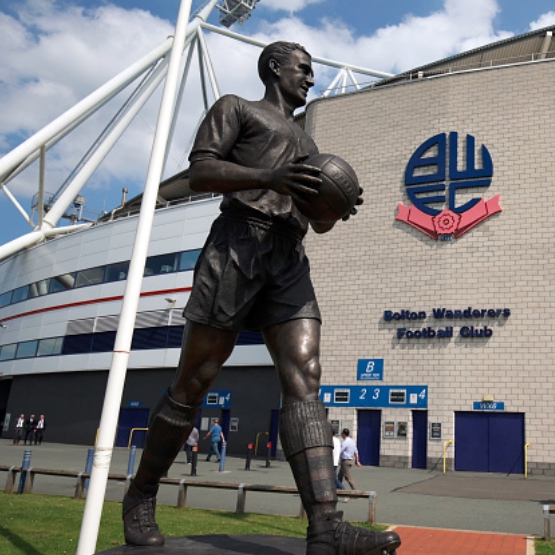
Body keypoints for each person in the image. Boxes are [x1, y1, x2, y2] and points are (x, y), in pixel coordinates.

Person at [121, 41, 399, 555]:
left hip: (287, 255)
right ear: (275, 67)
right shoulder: (236, 109)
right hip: (238, 243)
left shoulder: (309, 142)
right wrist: (267, 176)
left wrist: (334, 209)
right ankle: (140, 494)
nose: (311, 78)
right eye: (304, 68)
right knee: (196, 378)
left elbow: (316, 221)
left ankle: (325, 526)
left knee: (305, 373)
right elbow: (200, 172)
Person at [332, 426, 345, 491]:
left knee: (334, 478)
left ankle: (344, 490)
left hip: (331, 461)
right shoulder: (338, 440)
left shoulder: (332, 440)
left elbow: (331, 451)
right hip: (336, 461)